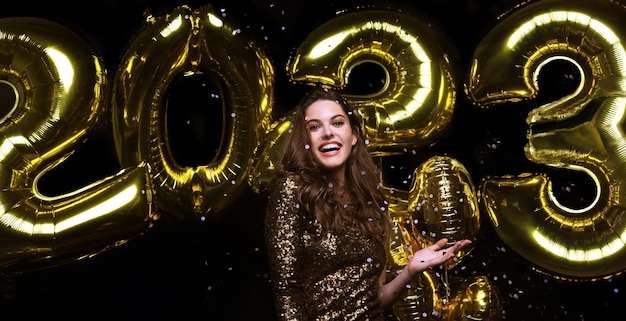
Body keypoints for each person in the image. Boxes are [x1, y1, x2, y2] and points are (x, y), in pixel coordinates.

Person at [264, 87, 472, 321]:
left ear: (353, 136)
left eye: (337, 123)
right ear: (305, 141)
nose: (327, 133)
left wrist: (411, 269)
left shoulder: (371, 200)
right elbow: (286, 290)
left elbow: (376, 300)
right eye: (314, 127)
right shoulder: (293, 190)